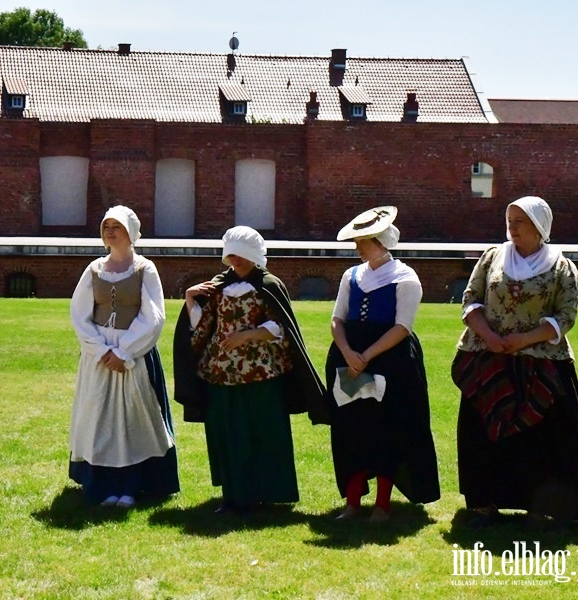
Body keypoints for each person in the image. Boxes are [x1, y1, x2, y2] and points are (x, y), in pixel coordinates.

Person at [453, 196, 578, 527]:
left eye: (519, 221)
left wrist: (523, 339)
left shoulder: (562, 268)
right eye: (509, 219)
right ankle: (483, 502)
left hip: (542, 362)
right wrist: (489, 336)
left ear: (539, 227)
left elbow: (566, 316)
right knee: (483, 433)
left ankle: (539, 504)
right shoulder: (492, 258)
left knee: (542, 439)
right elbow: (470, 299)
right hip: (487, 357)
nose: (511, 226)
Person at [173, 226, 327, 513]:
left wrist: (248, 335)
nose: (236, 260)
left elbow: (282, 327)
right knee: (229, 434)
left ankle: (269, 493)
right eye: (231, 254)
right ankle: (234, 496)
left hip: (261, 373)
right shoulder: (217, 286)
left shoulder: (269, 285)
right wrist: (191, 299)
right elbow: (200, 329)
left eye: (242, 254)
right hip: (220, 373)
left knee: (264, 432)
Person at [324, 206, 440, 523]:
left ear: (380, 241)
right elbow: (337, 319)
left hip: (392, 361)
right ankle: (352, 502)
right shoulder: (351, 276)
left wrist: (368, 355)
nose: (358, 248)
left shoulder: (405, 278)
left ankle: (382, 505)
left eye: (363, 241)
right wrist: (348, 352)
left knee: (387, 429)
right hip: (349, 359)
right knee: (352, 428)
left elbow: (402, 326)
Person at [68, 206, 179, 508]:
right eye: (106, 226)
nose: (110, 231)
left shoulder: (145, 269)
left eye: (117, 226)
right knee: (99, 419)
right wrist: (101, 349)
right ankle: (102, 485)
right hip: (99, 357)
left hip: (134, 355)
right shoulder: (94, 270)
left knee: (133, 419)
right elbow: (80, 315)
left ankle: (132, 485)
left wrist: (124, 351)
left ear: (131, 232)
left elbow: (153, 316)